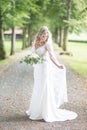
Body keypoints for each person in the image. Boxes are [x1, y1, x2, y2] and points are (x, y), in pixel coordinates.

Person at [26, 26, 77, 122]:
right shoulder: (34, 42)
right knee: (38, 87)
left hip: (45, 67)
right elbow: (32, 54)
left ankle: (46, 111)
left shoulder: (47, 44)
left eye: (46, 36)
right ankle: (36, 110)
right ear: (40, 34)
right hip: (37, 68)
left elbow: (52, 56)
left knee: (45, 87)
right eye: (44, 35)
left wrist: (58, 65)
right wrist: (30, 58)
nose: (45, 37)